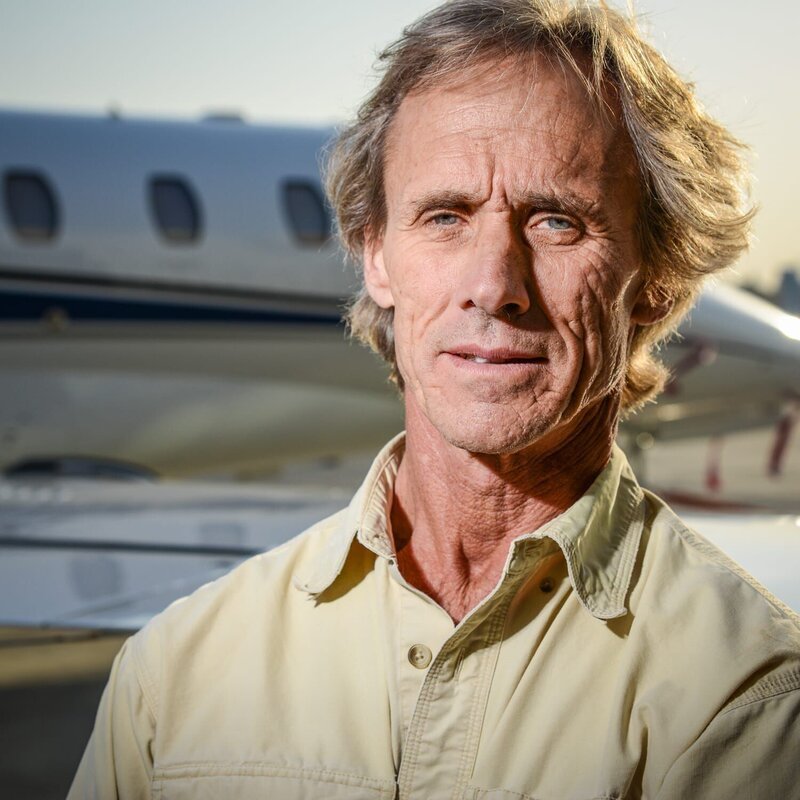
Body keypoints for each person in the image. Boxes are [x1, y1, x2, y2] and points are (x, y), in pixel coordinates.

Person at [70, 1, 800, 797]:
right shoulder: (175, 672)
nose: (493, 286)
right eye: (445, 216)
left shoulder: (743, 693)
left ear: (656, 281)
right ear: (374, 255)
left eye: (557, 221)